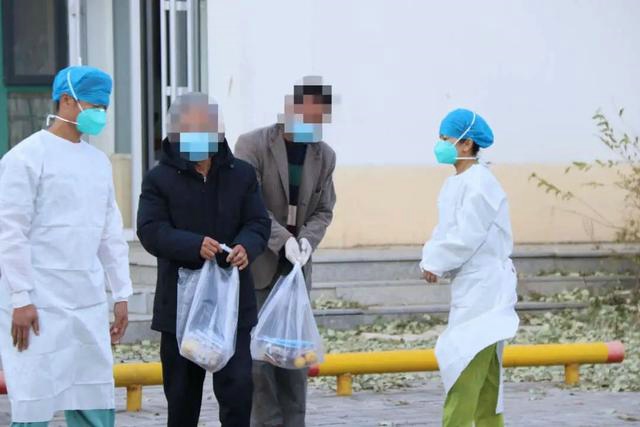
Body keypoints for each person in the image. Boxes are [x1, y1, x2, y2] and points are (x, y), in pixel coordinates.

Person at [0, 66, 132, 426]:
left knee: (92, 393)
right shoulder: (26, 158)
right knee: (34, 398)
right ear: (67, 101)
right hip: (38, 301)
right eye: (94, 105)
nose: (100, 114)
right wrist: (20, 298)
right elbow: (10, 233)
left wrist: (121, 292)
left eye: (104, 107)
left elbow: (109, 233)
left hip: (86, 300)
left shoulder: (97, 162)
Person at [137, 92, 271, 427]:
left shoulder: (241, 174)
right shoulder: (159, 179)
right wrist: (193, 245)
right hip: (181, 305)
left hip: (232, 304)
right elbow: (151, 230)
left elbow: (258, 222)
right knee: (182, 398)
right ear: (176, 134)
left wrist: (245, 247)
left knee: (238, 389)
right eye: (190, 131)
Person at [235, 76, 336, 427]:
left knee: (296, 358)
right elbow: (247, 204)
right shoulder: (252, 145)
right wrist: (282, 240)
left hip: (296, 271)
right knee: (260, 360)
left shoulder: (324, 155)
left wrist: (307, 239)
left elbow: (323, 209)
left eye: (318, 118)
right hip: (260, 265)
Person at [420, 109, 519, 427]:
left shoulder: (480, 183)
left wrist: (435, 262)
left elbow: (467, 235)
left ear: (466, 143)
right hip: (472, 288)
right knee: (486, 378)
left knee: (463, 370)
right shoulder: (456, 183)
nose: (440, 145)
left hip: (484, 291)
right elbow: (445, 230)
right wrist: (431, 257)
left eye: (445, 138)